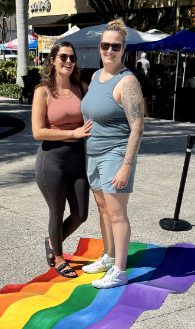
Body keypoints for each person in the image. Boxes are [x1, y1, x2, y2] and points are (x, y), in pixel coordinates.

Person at [80, 19, 145, 289]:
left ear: (123, 49)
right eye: (105, 45)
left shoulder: (127, 81)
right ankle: (108, 256)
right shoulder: (96, 76)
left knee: (117, 214)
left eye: (115, 46)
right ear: (99, 47)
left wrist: (126, 167)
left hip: (115, 154)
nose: (109, 50)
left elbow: (138, 126)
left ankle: (120, 270)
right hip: (92, 154)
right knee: (102, 208)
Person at [32, 41, 93, 278]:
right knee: (56, 212)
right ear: (53, 60)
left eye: (72, 58)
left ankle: (52, 239)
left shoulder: (82, 88)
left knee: (81, 214)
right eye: (63, 57)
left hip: (77, 159)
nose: (68, 61)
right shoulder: (43, 92)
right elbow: (38, 132)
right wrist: (72, 133)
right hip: (52, 159)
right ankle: (58, 258)